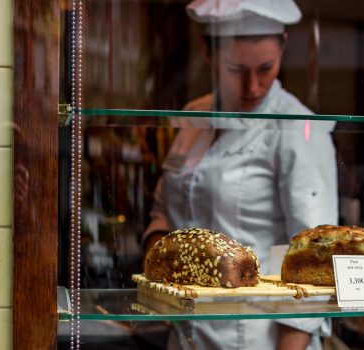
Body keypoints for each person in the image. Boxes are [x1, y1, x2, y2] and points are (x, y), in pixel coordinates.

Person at [141, 0, 338, 349]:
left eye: (266, 68)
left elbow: (314, 263)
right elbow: (165, 210)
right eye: (235, 69)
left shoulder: (299, 127)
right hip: (185, 333)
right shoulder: (193, 116)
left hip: (256, 338)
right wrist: (157, 257)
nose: (252, 87)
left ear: (284, 47)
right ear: (207, 52)